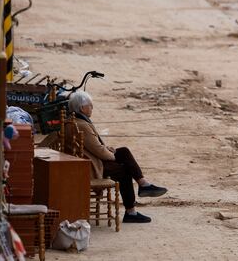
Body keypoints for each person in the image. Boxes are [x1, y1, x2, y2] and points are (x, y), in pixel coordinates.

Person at [68, 90, 167, 223]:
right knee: (124, 171)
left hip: (88, 160)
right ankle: (132, 209)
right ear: (82, 108)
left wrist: (108, 150)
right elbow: (98, 151)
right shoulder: (81, 125)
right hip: (91, 165)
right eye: (90, 105)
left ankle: (143, 185)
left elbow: (93, 146)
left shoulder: (74, 121)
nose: (92, 108)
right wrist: (113, 156)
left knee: (124, 152)